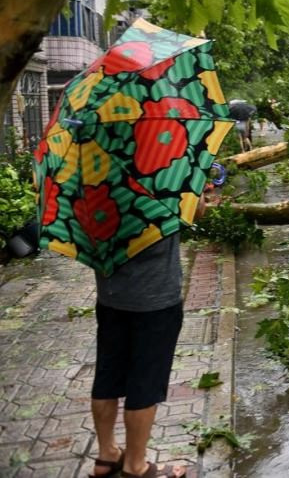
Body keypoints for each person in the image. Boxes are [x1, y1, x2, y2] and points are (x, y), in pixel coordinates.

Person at [87, 197, 207, 478]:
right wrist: (199, 196)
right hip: (155, 297)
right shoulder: (161, 167)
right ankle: (136, 466)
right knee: (145, 381)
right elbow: (193, 212)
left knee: (108, 374)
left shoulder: (92, 169)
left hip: (110, 292)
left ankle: (106, 456)